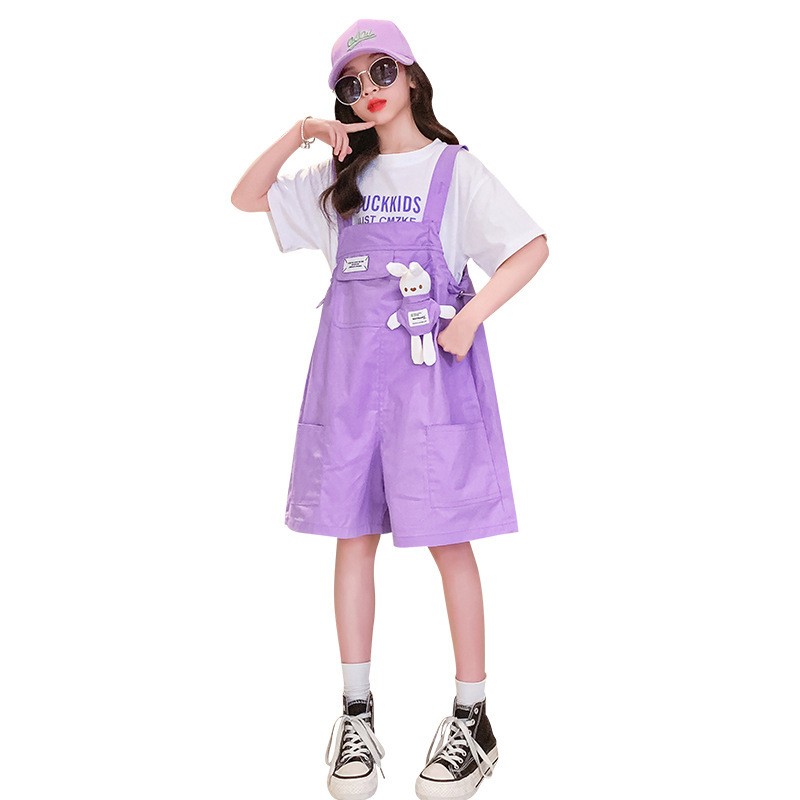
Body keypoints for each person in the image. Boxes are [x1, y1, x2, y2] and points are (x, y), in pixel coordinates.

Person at [231, 18, 549, 800]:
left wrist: (470, 319)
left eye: (381, 73)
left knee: (448, 542)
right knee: (352, 538)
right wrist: (304, 131)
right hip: (348, 389)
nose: (367, 91)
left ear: (411, 75)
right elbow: (245, 196)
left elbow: (531, 247)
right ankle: (356, 715)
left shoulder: (454, 170)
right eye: (350, 84)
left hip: (430, 386)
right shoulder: (340, 182)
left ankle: (473, 718)